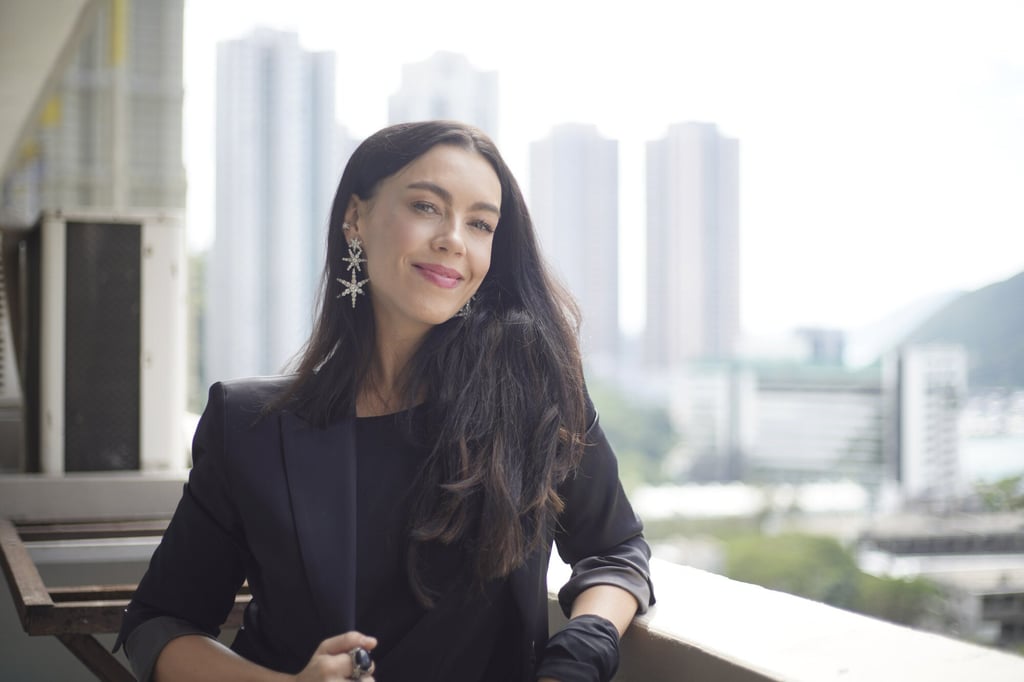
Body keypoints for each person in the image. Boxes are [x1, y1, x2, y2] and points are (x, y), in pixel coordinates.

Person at [116, 120, 654, 682]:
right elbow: (160, 623)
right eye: (426, 207)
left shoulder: (535, 395)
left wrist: (579, 654)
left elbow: (615, 550)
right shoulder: (249, 426)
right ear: (356, 217)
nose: (453, 239)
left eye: (480, 223)